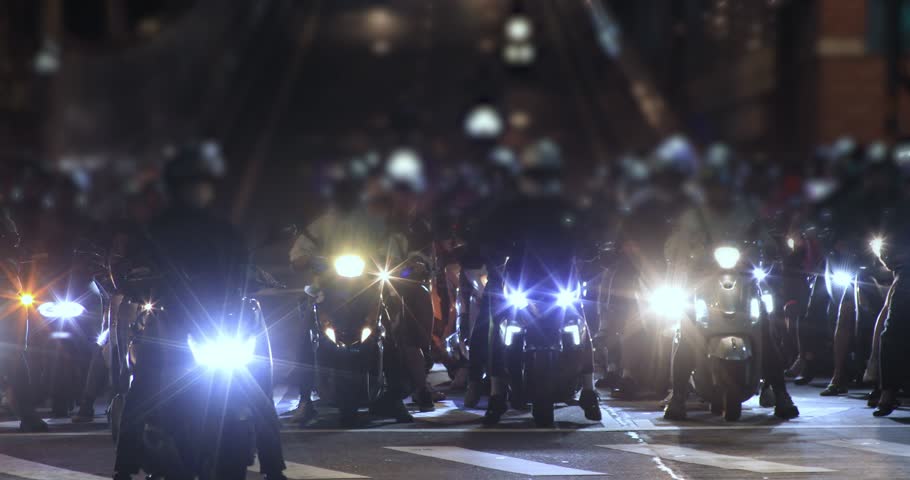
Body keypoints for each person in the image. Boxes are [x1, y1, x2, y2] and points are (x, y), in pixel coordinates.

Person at [113, 142, 287, 480]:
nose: (197, 190)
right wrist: (137, 279)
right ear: (177, 188)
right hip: (173, 323)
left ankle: (272, 464)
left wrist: (254, 280)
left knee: (259, 389)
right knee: (143, 388)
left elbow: (243, 268)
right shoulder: (159, 230)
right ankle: (125, 465)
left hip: (222, 325)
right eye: (190, 183)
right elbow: (138, 265)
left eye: (201, 183)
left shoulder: (225, 232)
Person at [468, 139, 602, 425]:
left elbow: (587, 235)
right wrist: (487, 249)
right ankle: (496, 393)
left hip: (560, 283)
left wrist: (593, 248)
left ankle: (589, 389)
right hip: (519, 283)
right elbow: (489, 234)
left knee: (580, 321)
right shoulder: (511, 208)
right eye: (535, 176)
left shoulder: (567, 208)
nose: (541, 183)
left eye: (546, 176)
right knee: (497, 325)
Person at [663, 157, 799, 421]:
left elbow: (766, 240)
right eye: (714, 186)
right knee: (688, 334)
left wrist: (770, 248)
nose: (720, 192)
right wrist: (682, 256)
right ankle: (678, 395)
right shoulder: (694, 217)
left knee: (766, 332)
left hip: (744, 284)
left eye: (724, 186)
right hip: (702, 286)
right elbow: (675, 245)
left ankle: (781, 393)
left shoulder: (747, 212)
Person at [288, 162, 414, 425]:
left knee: (392, 328)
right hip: (328, 290)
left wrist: (400, 260)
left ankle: (395, 395)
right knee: (304, 329)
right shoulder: (323, 224)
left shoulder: (375, 224)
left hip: (368, 288)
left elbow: (395, 245)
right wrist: (306, 260)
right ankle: (304, 399)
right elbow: (299, 252)